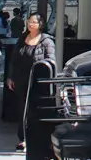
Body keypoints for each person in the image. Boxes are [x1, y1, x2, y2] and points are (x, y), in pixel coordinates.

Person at [7, 13, 56, 151]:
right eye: (29, 21)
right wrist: (11, 77)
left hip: (38, 82)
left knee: (34, 111)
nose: (30, 24)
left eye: (34, 22)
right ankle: (24, 138)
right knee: (23, 110)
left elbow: (51, 61)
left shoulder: (46, 41)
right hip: (22, 80)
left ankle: (34, 139)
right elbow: (14, 59)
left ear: (40, 25)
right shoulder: (22, 38)